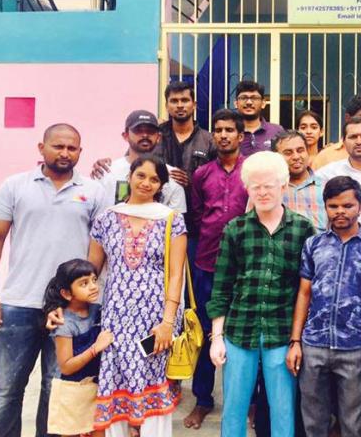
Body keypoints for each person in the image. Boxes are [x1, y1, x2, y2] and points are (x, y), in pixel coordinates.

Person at [0, 123, 106, 437]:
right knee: (8, 389)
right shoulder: (15, 186)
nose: (65, 153)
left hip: (67, 311)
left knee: (56, 388)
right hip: (19, 304)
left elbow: (98, 249)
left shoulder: (93, 191)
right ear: (41, 148)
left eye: (72, 148)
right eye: (58, 146)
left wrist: (80, 298)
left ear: (80, 152)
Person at [207, 151, 315, 437]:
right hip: (239, 331)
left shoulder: (303, 228)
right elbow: (222, 285)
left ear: (283, 186)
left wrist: (298, 339)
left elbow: (308, 288)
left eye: (269, 185)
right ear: (248, 188)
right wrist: (217, 337)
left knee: (283, 408)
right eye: (256, 186)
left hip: (281, 332)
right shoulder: (236, 229)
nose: (263, 192)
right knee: (234, 408)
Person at [88, 155, 187, 436]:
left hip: (155, 319)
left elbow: (176, 274)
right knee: (115, 377)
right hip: (116, 317)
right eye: (141, 175)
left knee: (151, 380)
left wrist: (168, 322)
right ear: (129, 177)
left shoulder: (172, 220)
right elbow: (91, 270)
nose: (146, 183)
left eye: (154, 179)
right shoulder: (107, 219)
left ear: (161, 186)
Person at [287, 175, 361, 437]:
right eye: (333, 206)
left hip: (355, 346)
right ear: (325, 207)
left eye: (347, 205)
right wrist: (296, 341)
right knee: (313, 421)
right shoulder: (313, 244)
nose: (340, 212)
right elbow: (304, 293)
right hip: (314, 345)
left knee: (353, 423)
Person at [185, 108, 249, 429]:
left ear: (241, 136)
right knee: (207, 332)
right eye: (218, 130)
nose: (223, 135)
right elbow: (196, 217)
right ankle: (202, 400)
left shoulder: (252, 172)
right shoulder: (202, 174)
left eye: (229, 130)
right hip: (207, 264)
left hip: (244, 268)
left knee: (245, 335)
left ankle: (248, 402)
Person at [43, 259, 113, 437]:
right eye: (84, 283)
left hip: (96, 389)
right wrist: (95, 349)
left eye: (94, 280)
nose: (93, 287)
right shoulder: (64, 323)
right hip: (72, 393)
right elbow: (66, 366)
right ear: (66, 293)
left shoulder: (98, 311)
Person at [99, 110, 187, 212]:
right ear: (125, 135)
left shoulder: (173, 176)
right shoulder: (106, 172)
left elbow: (176, 222)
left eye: (150, 131)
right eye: (138, 130)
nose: (145, 135)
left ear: (158, 137)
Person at [272, 130, 327, 231]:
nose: (296, 157)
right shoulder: (270, 190)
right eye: (288, 153)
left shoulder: (326, 187)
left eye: (300, 150)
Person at [235, 79, 285, 156]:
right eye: (243, 98)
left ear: (263, 103)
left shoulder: (277, 131)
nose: (249, 102)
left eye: (254, 98)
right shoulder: (230, 132)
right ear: (236, 103)